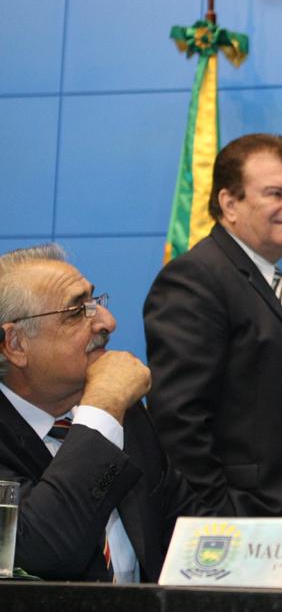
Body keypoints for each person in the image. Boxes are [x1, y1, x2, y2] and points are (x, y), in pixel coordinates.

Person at [144, 133, 282, 517]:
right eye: (276, 194)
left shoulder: (268, 281)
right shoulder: (196, 279)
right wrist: (224, 521)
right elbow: (179, 422)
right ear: (229, 204)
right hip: (247, 533)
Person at [0, 243, 207, 582]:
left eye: (95, 302)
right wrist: (102, 410)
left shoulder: (126, 414)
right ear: (16, 345)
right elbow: (44, 550)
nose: (107, 322)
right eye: (76, 311)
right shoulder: (109, 409)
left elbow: (189, 535)